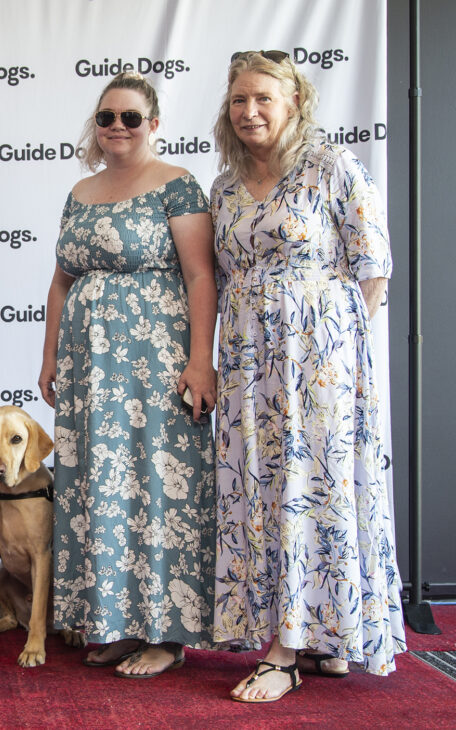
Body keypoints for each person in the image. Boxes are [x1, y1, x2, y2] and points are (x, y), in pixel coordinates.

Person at [210, 51, 406, 702]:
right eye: (239, 100)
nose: (249, 111)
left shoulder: (333, 168)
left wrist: (335, 353)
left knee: (311, 493)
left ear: (295, 102)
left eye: (263, 98)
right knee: (260, 499)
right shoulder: (224, 187)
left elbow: (373, 267)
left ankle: (289, 649)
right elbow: (224, 278)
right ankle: (318, 634)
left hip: (320, 366)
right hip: (245, 367)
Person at [38, 72, 218, 679]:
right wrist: (48, 358)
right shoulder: (80, 191)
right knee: (101, 488)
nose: (118, 126)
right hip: (89, 368)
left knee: (156, 487)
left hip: (156, 363)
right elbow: (62, 280)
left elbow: (199, 276)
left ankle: (167, 634)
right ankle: (114, 621)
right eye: (107, 116)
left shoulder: (178, 186)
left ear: (154, 125)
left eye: (131, 117)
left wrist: (200, 360)